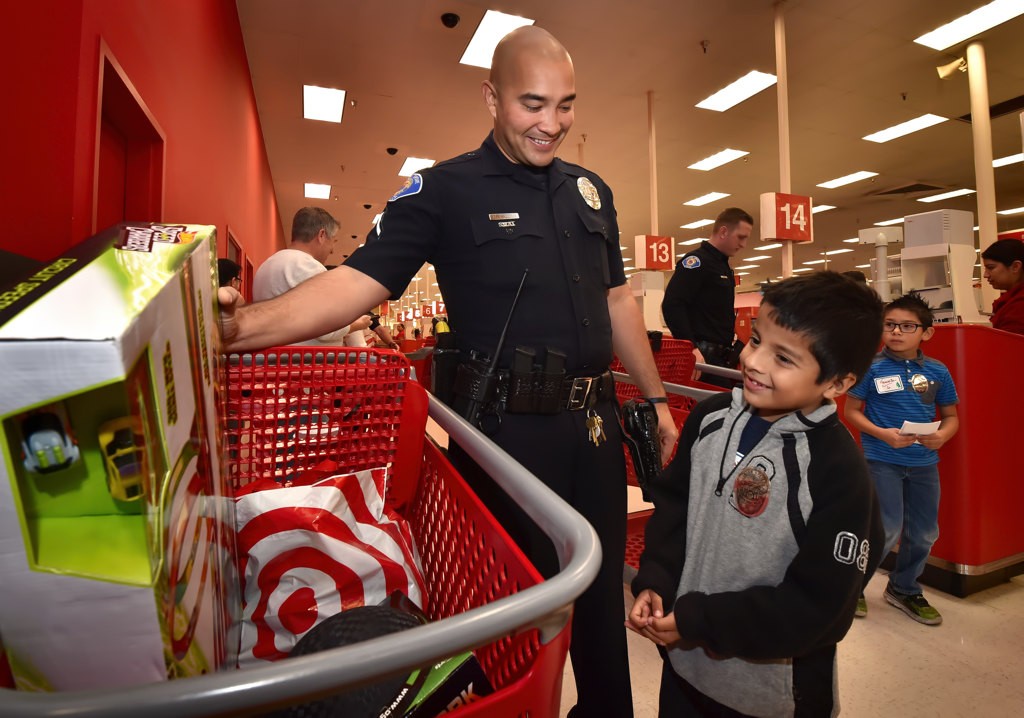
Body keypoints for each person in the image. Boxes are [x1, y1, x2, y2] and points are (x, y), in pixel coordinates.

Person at [217, 26, 677, 717]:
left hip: (594, 429)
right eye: (532, 104)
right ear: (491, 97)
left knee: (599, 596)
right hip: (505, 440)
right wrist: (237, 329)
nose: (551, 124)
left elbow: (617, 299)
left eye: (565, 105)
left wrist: (658, 399)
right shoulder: (440, 189)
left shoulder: (591, 192)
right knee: (516, 617)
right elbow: (359, 282)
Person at [628, 271, 885, 717]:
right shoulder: (709, 419)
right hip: (685, 670)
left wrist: (698, 621)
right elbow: (675, 507)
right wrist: (657, 579)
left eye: (783, 358)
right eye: (754, 341)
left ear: (838, 384)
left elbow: (820, 606)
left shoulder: (836, 469)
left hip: (772, 694)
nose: (755, 362)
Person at [844, 292, 959, 626]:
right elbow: (852, 411)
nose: (896, 332)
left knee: (924, 532)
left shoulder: (938, 371)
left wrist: (943, 436)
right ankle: (853, 587)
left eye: (907, 326)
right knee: (887, 528)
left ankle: (904, 588)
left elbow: (951, 416)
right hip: (882, 460)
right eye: (890, 324)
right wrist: (883, 434)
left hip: (925, 464)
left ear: (926, 332)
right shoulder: (870, 366)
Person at [661, 207, 753, 388]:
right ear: (723, 231)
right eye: (741, 237)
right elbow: (672, 304)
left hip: (720, 355)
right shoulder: (697, 262)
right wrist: (690, 348)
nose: (743, 244)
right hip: (702, 356)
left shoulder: (722, 265)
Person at [252, 207, 371, 345]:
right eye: (333, 241)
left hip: (278, 358)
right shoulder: (309, 266)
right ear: (321, 235)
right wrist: (357, 324)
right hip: (305, 362)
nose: (332, 250)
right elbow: (327, 328)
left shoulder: (268, 264)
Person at [981, 238, 1024, 335]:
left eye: (991, 267)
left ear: (1015, 267)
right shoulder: (1010, 301)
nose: (985, 275)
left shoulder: (1019, 305)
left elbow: (1008, 346)